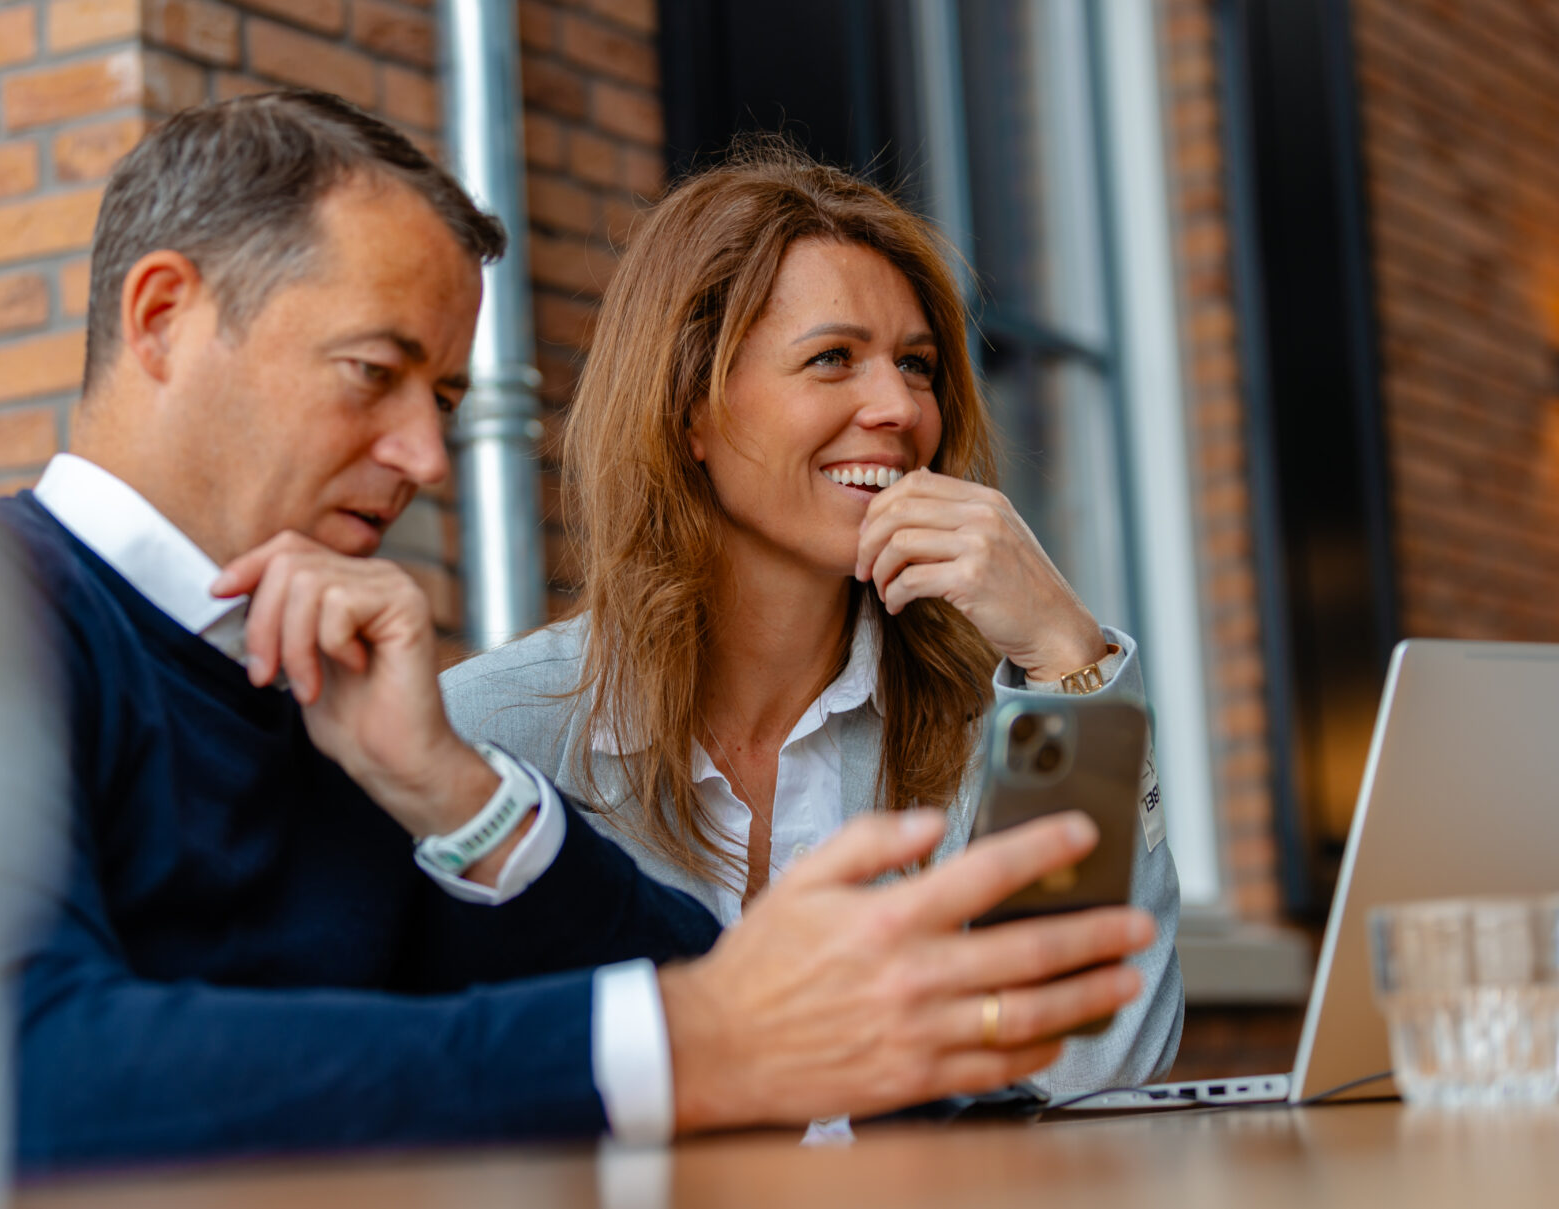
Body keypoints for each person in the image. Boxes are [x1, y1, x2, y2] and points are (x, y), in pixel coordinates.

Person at [0, 93, 1158, 1171]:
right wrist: (678, 1042)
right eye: (375, 375)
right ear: (163, 320)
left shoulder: (350, 704)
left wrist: (454, 791)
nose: (429, 457)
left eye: (443, 397)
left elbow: (741, 1012)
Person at [443, 145, 1183, 1094]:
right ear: (689, 409)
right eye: (833, 358)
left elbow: (1095, 1066)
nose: (898, 407)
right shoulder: (484, 739)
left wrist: (1067, 657)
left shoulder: (990, 731)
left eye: (917, 366)